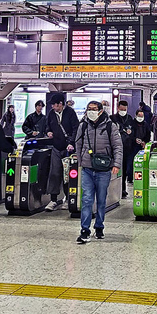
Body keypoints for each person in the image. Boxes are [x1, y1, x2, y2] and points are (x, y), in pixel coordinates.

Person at [75, 100, 123, 244]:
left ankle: (99, 226)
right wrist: (80, 161)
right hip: (88, 169)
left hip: (103, 169)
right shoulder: (83, 125)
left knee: (101, 200)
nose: (91, 111)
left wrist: (117, 164)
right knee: (87, 199)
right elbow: (78, 143)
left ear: (101, 111)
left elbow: (118, 146)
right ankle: (84, 230)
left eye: (94, 109)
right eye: (89, 108)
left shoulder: (110, 126)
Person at [41, 92, 79, 211]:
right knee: (55, 173)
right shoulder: (52, 114)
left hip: (69, 149)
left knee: (68, 175)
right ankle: (53, 200)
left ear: (61, 104)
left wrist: (72, 143)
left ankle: (68, 199)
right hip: (57, 147)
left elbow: (76, 128)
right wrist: (48, 132)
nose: (53, 107)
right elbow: (47, 126)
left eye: (55, 105)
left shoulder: (70, 113)